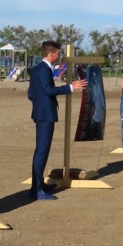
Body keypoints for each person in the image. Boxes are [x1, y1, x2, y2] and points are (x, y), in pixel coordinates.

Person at [28, 41, 86, 201]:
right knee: (41, 151)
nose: (59, 56)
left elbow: (31, 94)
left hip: (42, 113)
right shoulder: (44, 70)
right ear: (51, 53)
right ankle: (37, 189)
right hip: (45, 115)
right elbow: (48, 90)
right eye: (58, 53)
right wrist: (71, 87)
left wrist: (39, 104)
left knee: (42, 150)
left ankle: (38, 185)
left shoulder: (38, 69)